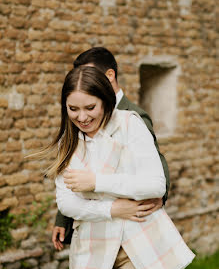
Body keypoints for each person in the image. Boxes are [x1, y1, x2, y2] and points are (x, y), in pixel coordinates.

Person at [52, 66, 195, 269]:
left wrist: (96, 182)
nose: (82, 117)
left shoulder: (130, 124)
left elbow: (156, 184)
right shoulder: (67, 142)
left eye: (90, 107)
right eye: (73, 108)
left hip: (136, 240)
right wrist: (112, 209)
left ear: (106, 100)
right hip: (92, 243)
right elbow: (67, 202)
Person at [52, 47, 170, 250]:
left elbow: (157, 165)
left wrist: (160, 196)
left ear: (109, 75)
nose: (83, 116)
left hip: (130, 230)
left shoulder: (132, 116)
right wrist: (63, 219)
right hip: (95, 230)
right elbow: (76, 171)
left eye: (92, 76)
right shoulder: (77, 123)